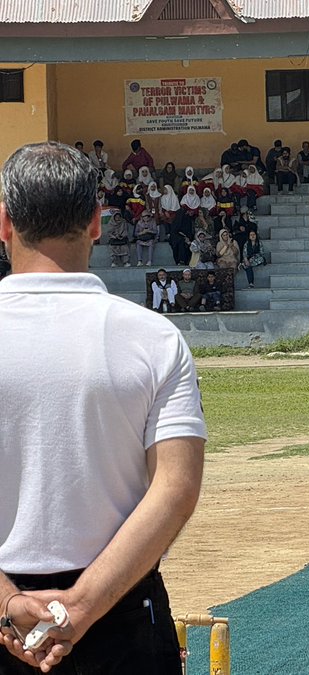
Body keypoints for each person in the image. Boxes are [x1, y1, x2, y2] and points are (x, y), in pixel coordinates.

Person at [0, 141, 205, 674]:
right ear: (97, 222)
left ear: (4, 223)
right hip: (122, 613)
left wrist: (5, 603)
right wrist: (85, 604)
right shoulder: (154, 339)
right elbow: (176, 487)